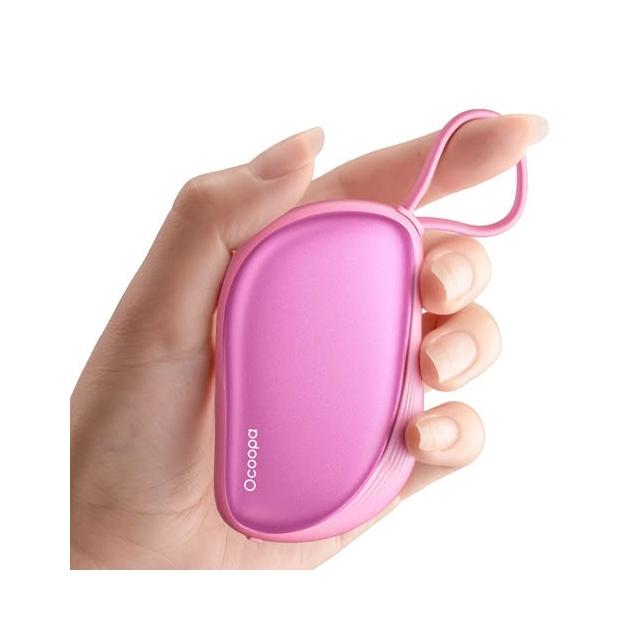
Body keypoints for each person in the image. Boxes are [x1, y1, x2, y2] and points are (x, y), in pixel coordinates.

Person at [70, 114, 548, 569]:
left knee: (444, 324)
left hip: (285, 498)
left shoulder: (370, 245)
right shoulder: (373, 246)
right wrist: (98, 545)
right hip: (239, 500)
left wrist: (104, 552)